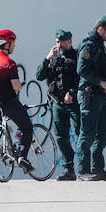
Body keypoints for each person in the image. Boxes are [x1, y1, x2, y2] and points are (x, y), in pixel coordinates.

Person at [0, 29, 36, 174]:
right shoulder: (9, 63)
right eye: (13, 43)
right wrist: (19, 85)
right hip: (8, 102)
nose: (14, 46)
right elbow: (16, 86)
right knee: (27, 128)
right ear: (6, 45)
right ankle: (22, 157)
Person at [77, 17, 106, 181]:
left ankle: (97, 169)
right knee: (87, 134)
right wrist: (100, 82)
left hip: (99, 95)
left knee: (101, 135)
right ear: (100, 29)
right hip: (90, 94)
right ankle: (83, 170)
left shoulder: (100, 46)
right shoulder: (90, 46)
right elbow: (82, 69)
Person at [36, 29, 81, 180]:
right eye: (57, 41)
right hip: (58, 103)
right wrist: (47, 58)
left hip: (74, 103)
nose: (58, 45)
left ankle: (83, 168)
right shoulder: (53, 58)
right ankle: (69, 169)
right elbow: (39, 76)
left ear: (70, 41)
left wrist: (73, 93)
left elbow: (82, 78)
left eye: (61, 42)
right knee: (61, 137)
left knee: (80, 133)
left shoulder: (77, 56)